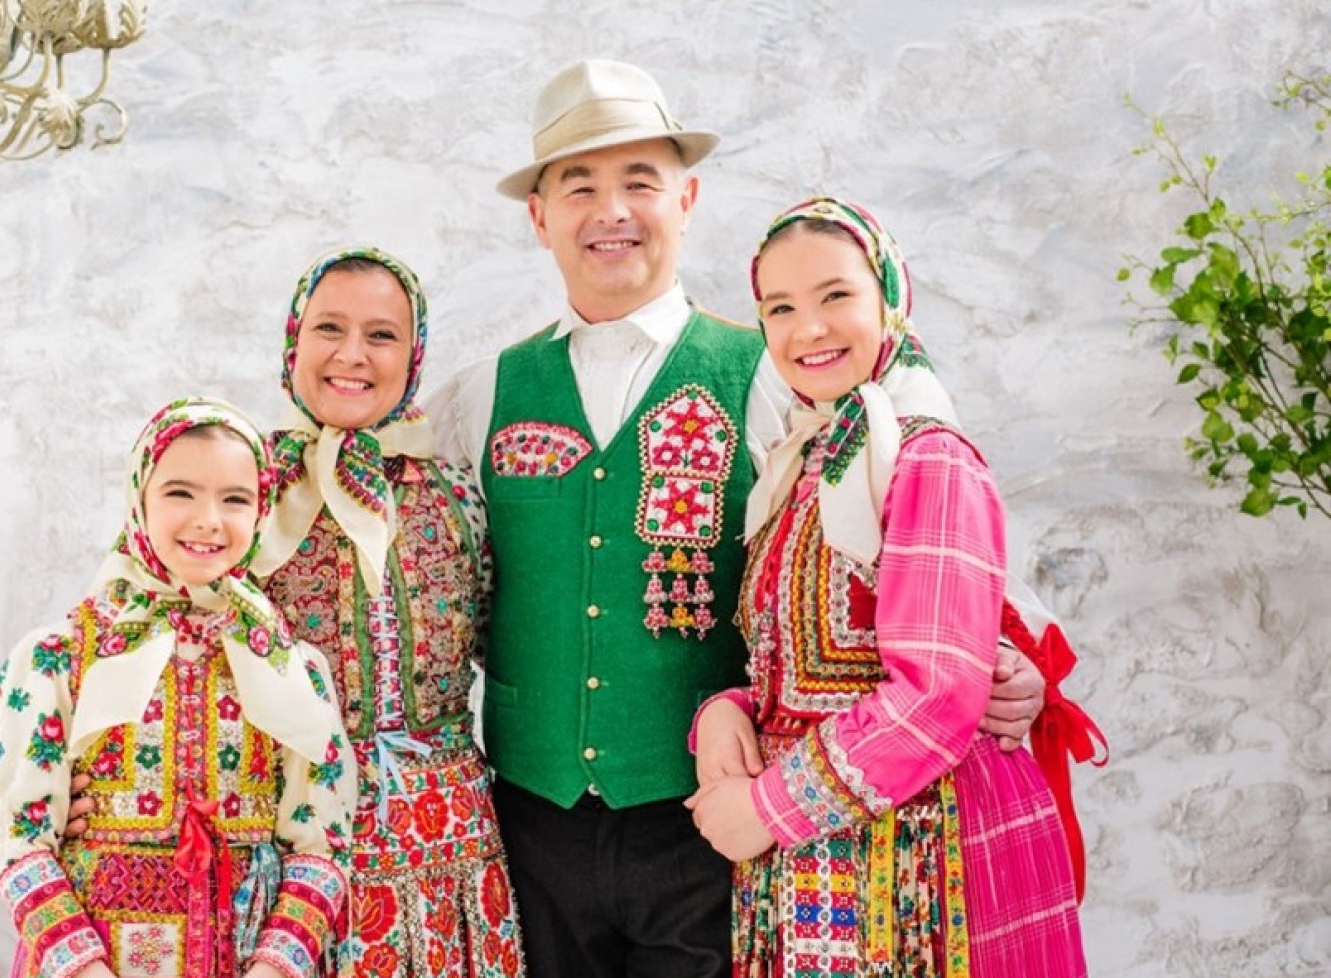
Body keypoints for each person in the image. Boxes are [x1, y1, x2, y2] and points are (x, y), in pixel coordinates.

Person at [426, 60, 1048, 978]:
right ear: (538, 215)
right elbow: (424, 568)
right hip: (531, 823)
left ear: (686, 199)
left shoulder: (777, 369)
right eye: (579, 187)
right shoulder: (475, 397)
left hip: (716, 821)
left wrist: (1003, 649)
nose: (611, 211)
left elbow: (901, 528)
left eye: (640, 181)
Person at [685, 196, 1096, 976]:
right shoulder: (803, 461)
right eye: (780, 307)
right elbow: (805, 662)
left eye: (835, 295)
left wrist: (768, 809)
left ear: (890, 298)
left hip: (917, 861)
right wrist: (726, 712)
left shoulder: (927, 456)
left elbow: (936, 693)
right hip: (812, 861)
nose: (808, 328)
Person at [0, 397, 356, 978]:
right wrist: (86, 970)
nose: (208, 519)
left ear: (262, 510)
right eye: (181, 492)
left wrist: (274, 968)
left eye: (235, 499)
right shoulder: (58, 656)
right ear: (139, 498)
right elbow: (17, 838)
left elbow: (321, 842)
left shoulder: (290, 666)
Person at [250, 247, 525, 978]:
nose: (352, 355)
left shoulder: (457, 494)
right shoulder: (242, 490)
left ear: (413, 354)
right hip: (284, 848)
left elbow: (513, 650)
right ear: (294, 339)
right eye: (329, 328)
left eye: (381, 335)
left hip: (441, 847)